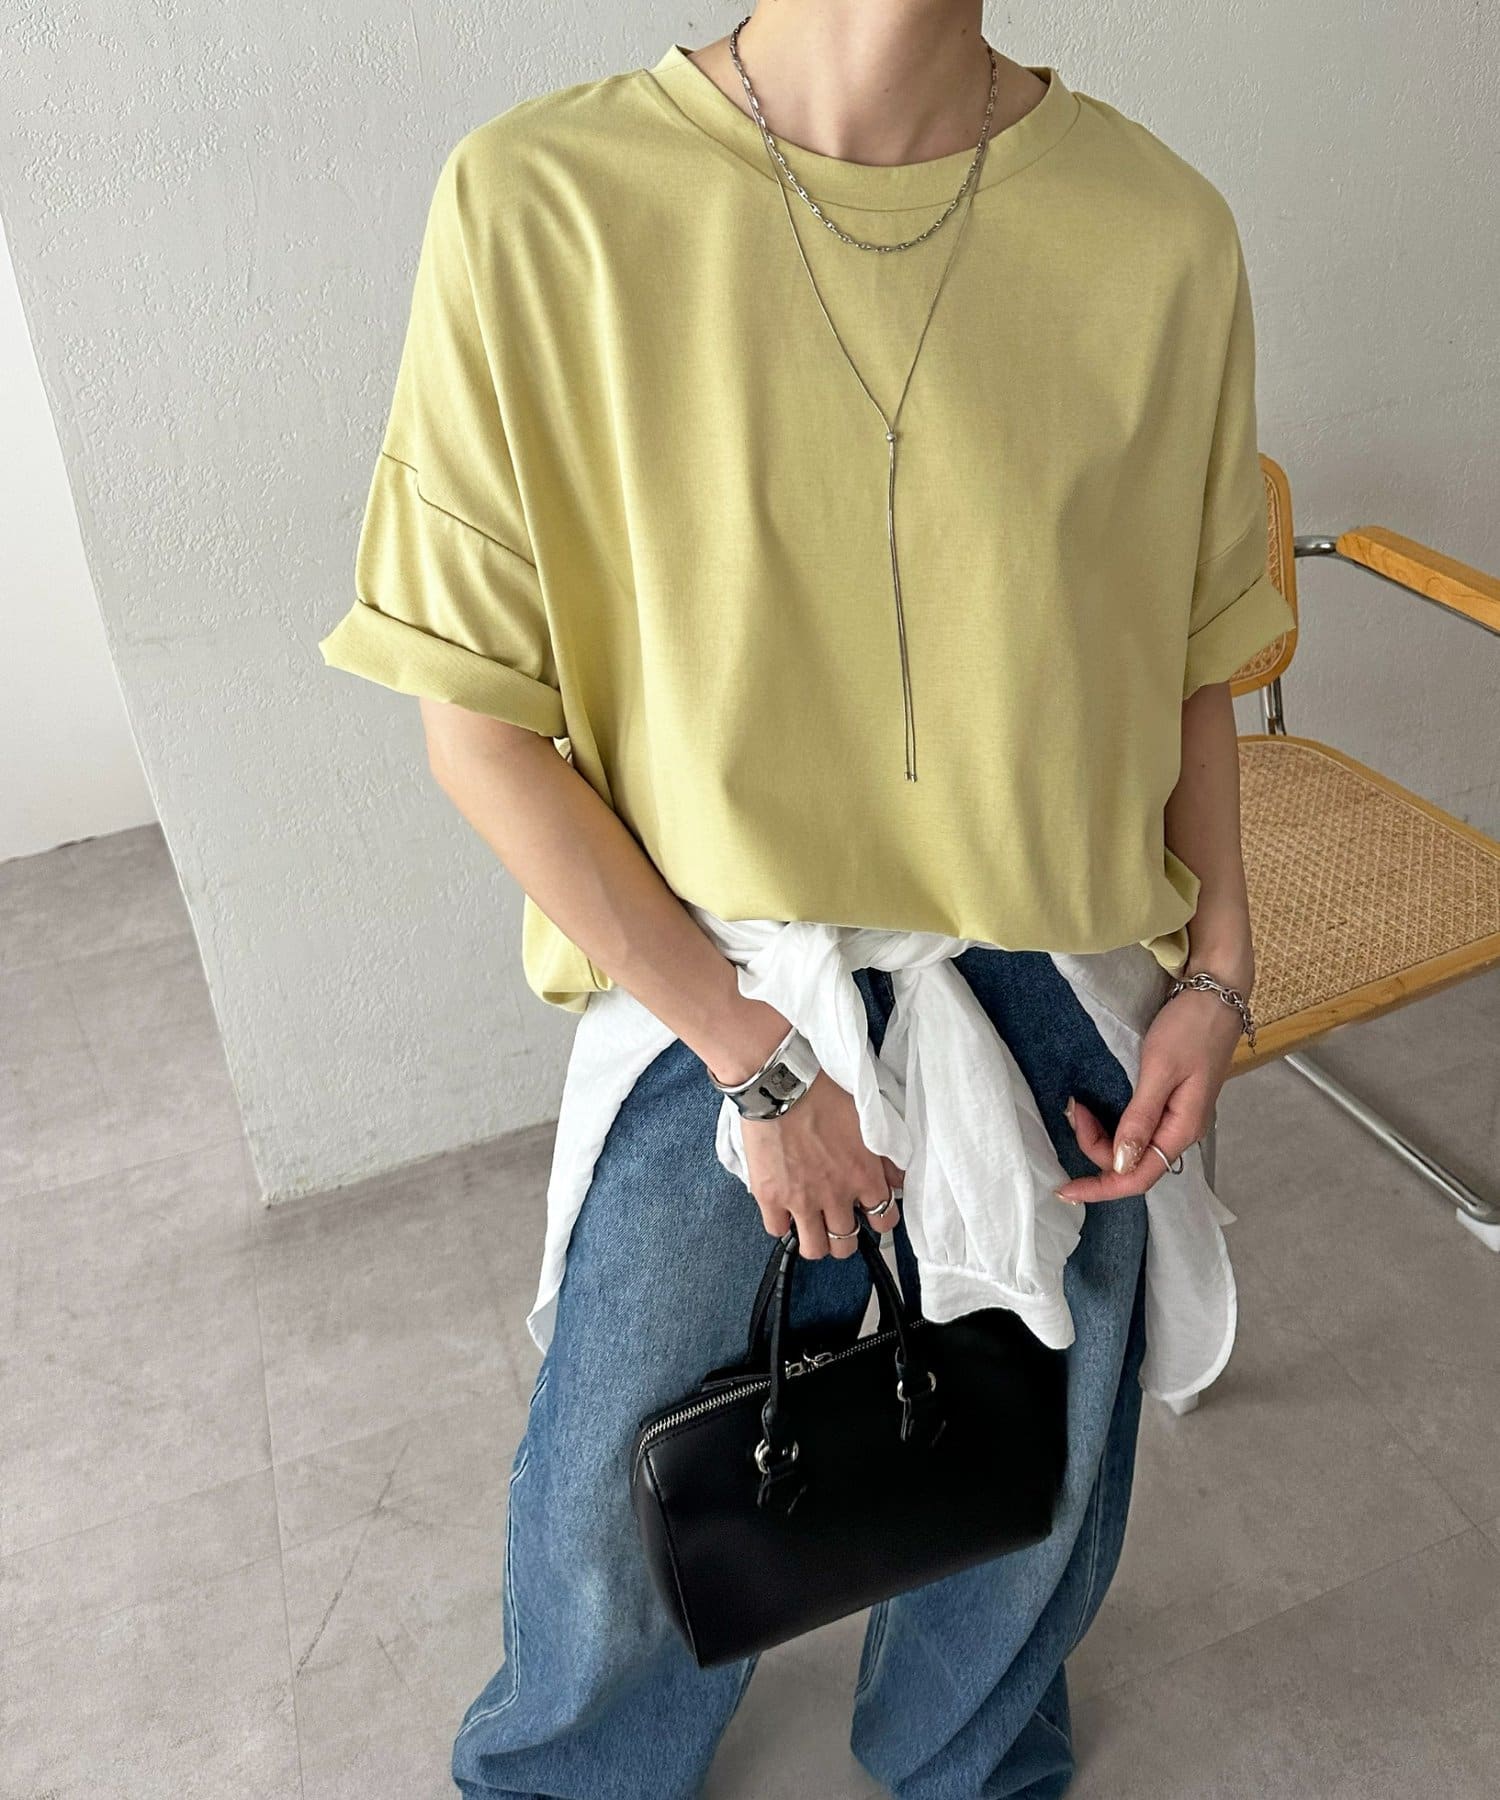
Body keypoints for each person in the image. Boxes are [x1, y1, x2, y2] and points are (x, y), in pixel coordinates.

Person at [318, 5, 1294, 1795]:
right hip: (721, 987)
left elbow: (1192, 655)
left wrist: (1219, 973)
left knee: (1029, 1479)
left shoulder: (1159, 231)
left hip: (1060, 980)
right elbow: (477, 723)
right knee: (620, 1493)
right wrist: (755, 1061)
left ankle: (971, 1758)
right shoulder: (546, 202)